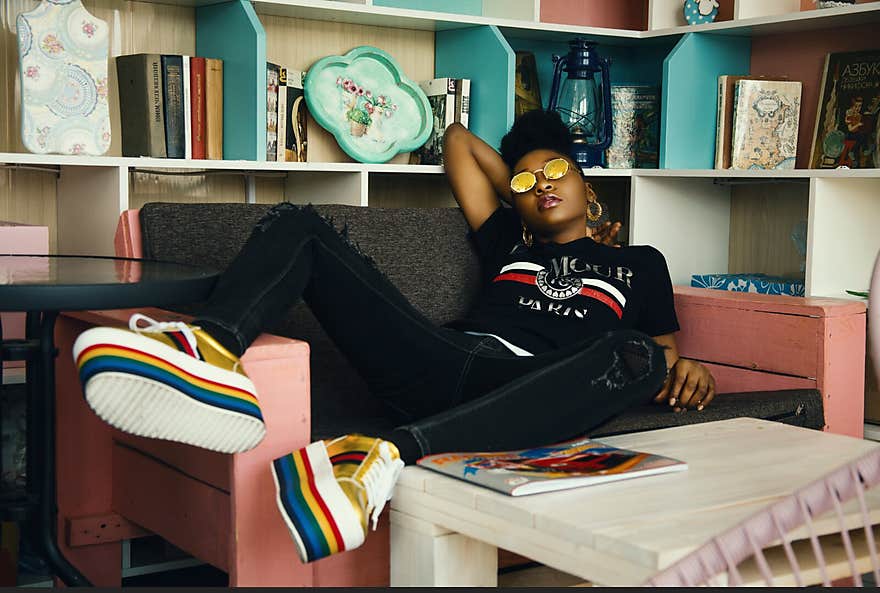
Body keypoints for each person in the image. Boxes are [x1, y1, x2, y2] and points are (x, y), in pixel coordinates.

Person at [72, 110, 715, 564]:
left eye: (558, 172)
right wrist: (522, 184)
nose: (542, 183)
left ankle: (382, 454)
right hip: (447, 360)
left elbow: (660, 357)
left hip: (530, 388)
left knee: (631, 355)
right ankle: (209, 354)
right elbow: (458, 141)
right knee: (300, 222)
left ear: (590, 189)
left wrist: (687, 371)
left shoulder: (639, 264)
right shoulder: (505, 240)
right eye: (525, 180)